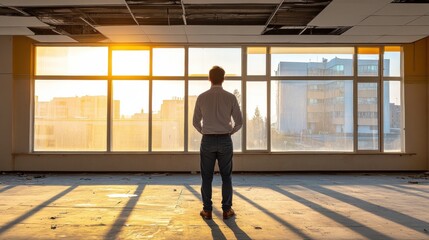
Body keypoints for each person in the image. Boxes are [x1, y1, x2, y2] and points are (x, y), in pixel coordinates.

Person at [192, 66, 243, 220]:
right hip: (225, 139)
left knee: (206, 177)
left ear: (209, 78)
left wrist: (205, 132)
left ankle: (207, 210)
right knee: (226, 176)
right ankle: (227, 210)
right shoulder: (230, 97)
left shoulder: (202, 97)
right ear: (223, 78)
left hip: (207, 140)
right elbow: (239, 122)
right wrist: (228, 132)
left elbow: (195, 122)